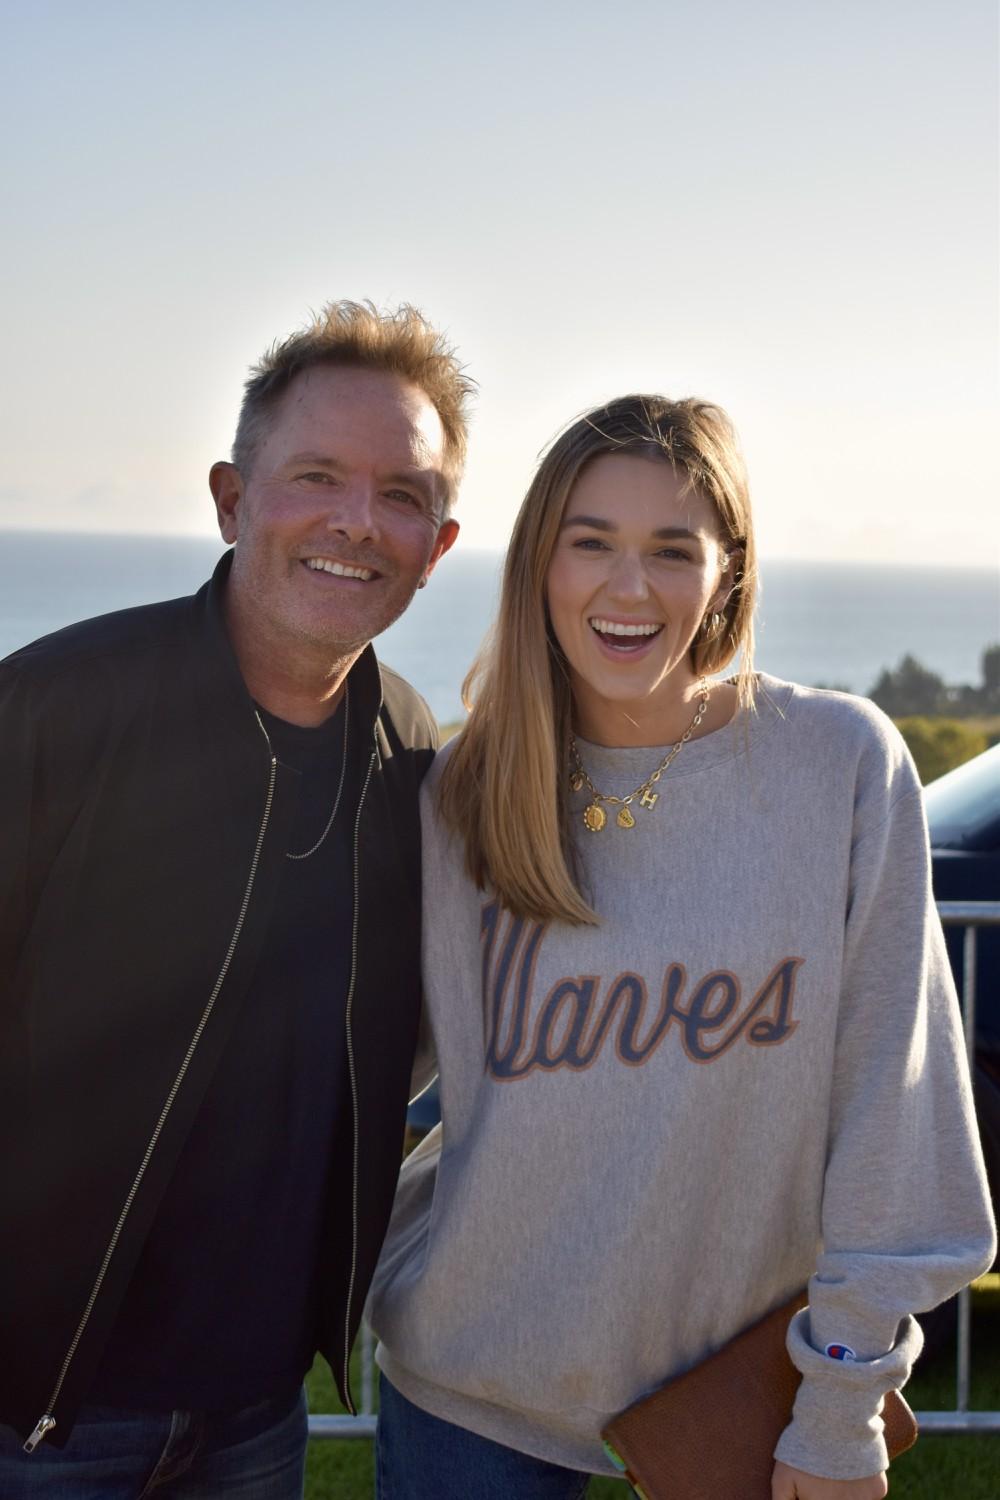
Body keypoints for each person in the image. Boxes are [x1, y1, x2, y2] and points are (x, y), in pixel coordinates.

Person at [370, 394, 997, 1500]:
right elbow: (356, 1073)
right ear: (540, 569)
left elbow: (894, 1112)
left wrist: (843, 1397)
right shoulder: (457, 797)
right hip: (468, 1395)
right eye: (590, 544)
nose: (628, 588)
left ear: (729, 573)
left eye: (672, 550)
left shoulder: (835, 766)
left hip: (744, 1402)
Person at [0, 300, 470, 1497]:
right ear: (230, 497)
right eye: (316, 475)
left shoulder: (414, 753)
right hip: (31, 1405)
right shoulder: (51, 713)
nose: (356, 522)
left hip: (258, 1408)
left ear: (439, 541)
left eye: (401, 495)